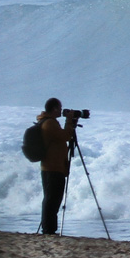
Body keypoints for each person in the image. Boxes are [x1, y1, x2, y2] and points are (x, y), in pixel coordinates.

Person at [35, 97, 79, 235]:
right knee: (52, 199)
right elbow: (66, 136)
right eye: (60, 108)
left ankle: (49, 229)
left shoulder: (49, 122)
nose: (62, 110)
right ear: (54, 109)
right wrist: (69, 121)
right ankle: (48, 229)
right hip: (52, 167)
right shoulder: (50, 124)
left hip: (54, 166)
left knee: (52, 198)